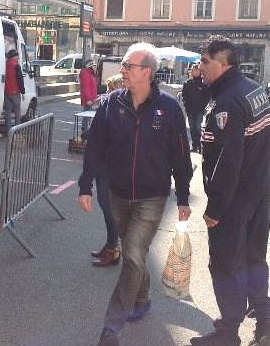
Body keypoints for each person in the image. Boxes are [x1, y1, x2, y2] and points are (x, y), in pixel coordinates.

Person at [77, 43, 193, 346]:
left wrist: (182, 197)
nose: (122, 70)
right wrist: (85, 185)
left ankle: (111, 328)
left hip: (151, 198)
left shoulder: (169, 108)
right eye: (124, 65)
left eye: (129, 65)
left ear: (147, 72)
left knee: (131, 256)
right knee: (135, 254)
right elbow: (96, 145)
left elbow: (181, 156)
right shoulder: (112, 102)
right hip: (118, 193)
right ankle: (141, 301)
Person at [189, 36, 270, 346]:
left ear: (223, 64)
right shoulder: (253, 88)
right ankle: (264, 319)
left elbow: (226, 162)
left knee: (225, 263)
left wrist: (216, 210)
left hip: (235, 200)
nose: (200, 67)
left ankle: (227, 334)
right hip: (258, 190)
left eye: (205, 62)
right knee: (252, 257)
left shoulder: (227, 102)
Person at [89, 74, 124, 267]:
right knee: (106, 209)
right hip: (104, 165)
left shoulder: (118, 110)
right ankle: (111, 245)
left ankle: (113, 249)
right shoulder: (111, 107)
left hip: (111, 167)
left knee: (109, 210)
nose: (108, 92)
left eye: (111, 88)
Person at [181, 61, 209, 153]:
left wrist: (203, 105)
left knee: (197, 126)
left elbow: (207, 96)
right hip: (190, 110)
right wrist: (186, 105)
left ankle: (201, 145)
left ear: (199, 71)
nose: (192, 71)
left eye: (194, 70)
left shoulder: (203, 83)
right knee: (192, 127)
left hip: (199, 110)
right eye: (191, 70)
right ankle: (194, 145)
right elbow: (184, 95)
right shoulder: (188, 83)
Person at [4, 48, 25, 134]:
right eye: (17, 56)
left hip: (6, 91)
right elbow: (20, 80)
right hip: (15, 91)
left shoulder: (5, 64)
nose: (18, 58)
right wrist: (23, 92)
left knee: (8, 111)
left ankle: (8, 129)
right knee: (17, 111)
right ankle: (17, 130)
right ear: (13, 56)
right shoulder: (16, 66)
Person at [79, 59, 98, 130]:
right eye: (94, 65)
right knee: (87, 116)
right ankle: (85, 131)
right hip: (89, 100)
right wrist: (88, 99)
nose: (95, 67)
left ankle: (86, 130)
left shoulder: (90, 74)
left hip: (92, 99)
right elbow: (85, 87)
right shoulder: (86, 73)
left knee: (88, 116)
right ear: (89, 66)